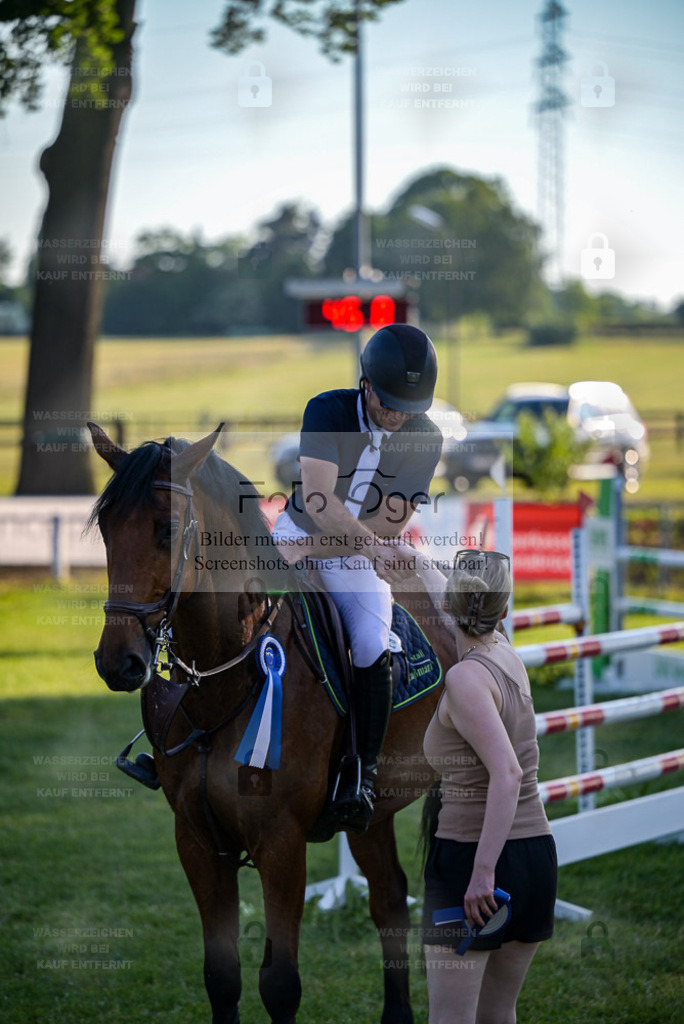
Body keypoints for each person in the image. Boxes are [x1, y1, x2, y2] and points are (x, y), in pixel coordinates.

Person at [271, 323, 442, 834]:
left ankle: (359, 774)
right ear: (365, 384)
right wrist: (353, 543)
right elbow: (319, 501)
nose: (397, 416)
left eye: (408, 408)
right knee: (229, 606)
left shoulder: (424, 437)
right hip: (296, 530)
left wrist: (329, 547)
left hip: (343, 557)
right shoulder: (327, 409)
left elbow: (391, 523)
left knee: (371, 640)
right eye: (389, 403)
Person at [386, 547, 557, 1024]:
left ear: (452, 607)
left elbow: (508, 773)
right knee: (498, 1015)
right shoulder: (507, 654)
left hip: (474, 864)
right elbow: (447, 592)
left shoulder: (464, 680)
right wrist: (405, 553)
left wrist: (483, 873)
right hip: (534, 858)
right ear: (504, 612)